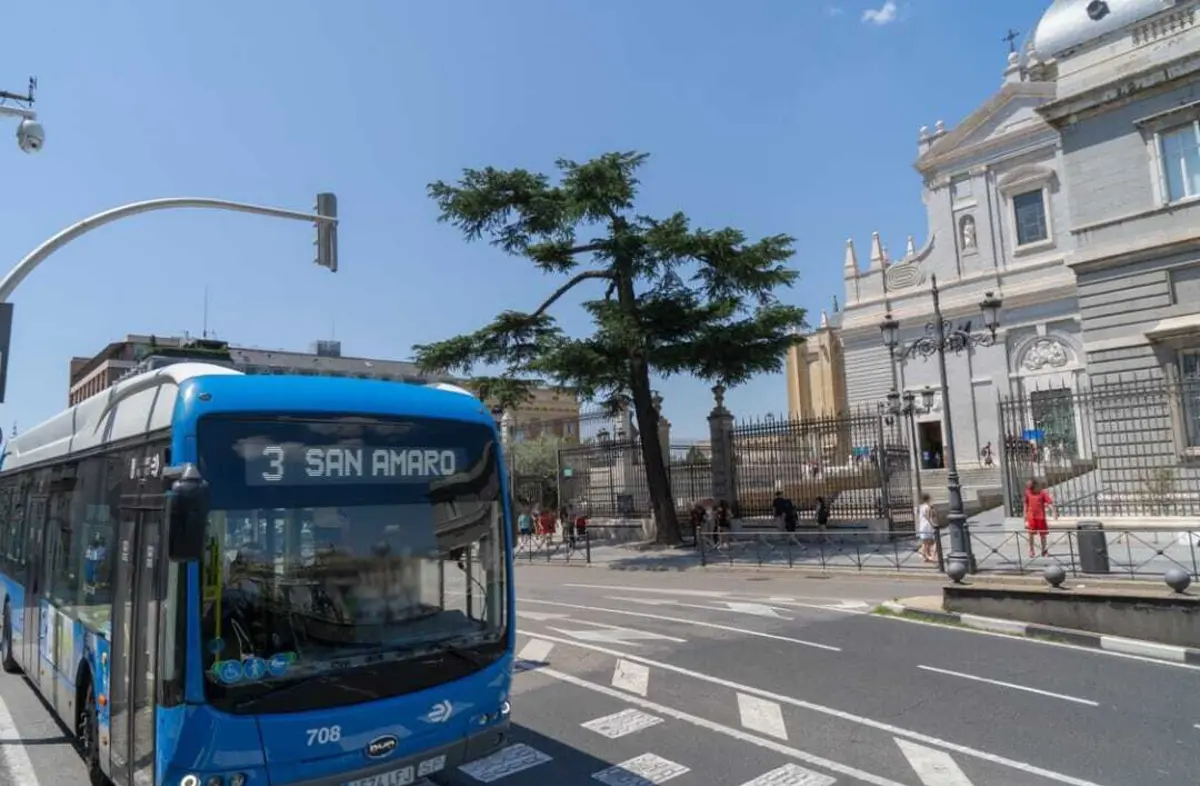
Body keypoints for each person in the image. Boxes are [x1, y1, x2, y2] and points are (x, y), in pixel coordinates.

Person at [1024, 479, 1056, 558]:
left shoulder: (1042, 493)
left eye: (1032, 488)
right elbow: (1025, 503)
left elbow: (1049, 503)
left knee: (1043, 535)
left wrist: (1054, 512)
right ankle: (1031, 550)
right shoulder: (1028, 492)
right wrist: (1024, 514)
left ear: (1036, 486)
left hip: (1041, 517)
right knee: (1031, 534)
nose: (1030, 490)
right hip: (1031, 517)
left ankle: (1044, 550)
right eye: (1029, 488)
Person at [916, 493, 937, 563]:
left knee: (926, 543)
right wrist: (932, 524)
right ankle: (931, 556)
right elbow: (928, 517)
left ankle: (926, 556)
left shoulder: (920, 507)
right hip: (927, 526)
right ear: (928, 499)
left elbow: (919, 516)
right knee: (934, 542)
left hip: (922, 525)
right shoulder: (927, 507)